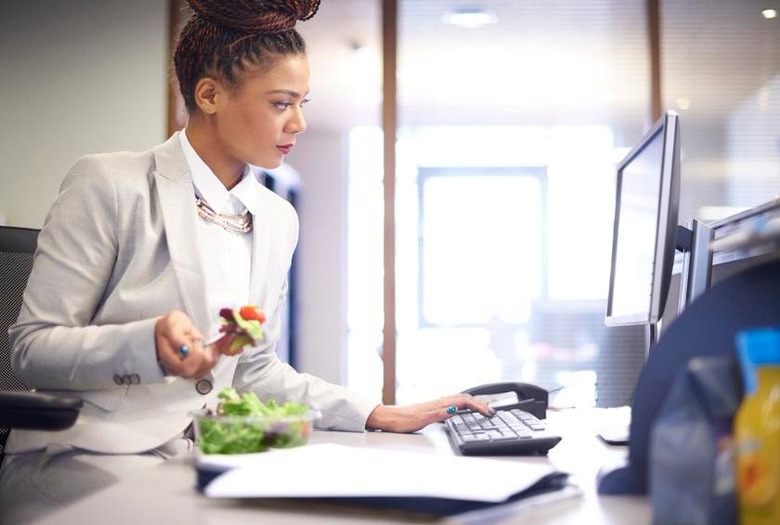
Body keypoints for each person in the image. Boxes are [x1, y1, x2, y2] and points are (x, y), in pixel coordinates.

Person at [0, 1, 493, 522]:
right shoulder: (110, 184)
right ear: (210, 94)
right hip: (84, 457)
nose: (299, 122)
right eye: (281, 103)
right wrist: (146, 345)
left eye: (303, 102)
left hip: (204, 458)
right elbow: (31, 351)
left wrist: (374, 412)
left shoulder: (276, 217)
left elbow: (254, 368)